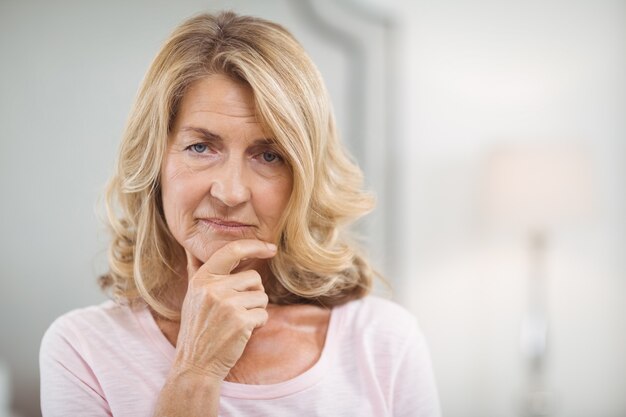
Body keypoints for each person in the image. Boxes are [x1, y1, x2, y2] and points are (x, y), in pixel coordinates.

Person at [39, 11, 441, 417]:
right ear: (155, 160)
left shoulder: (383, 340)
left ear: (303, 178)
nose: (230, 192)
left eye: (269, 155)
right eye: (201, 147)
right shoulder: (82, 349)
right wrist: (196, 370)